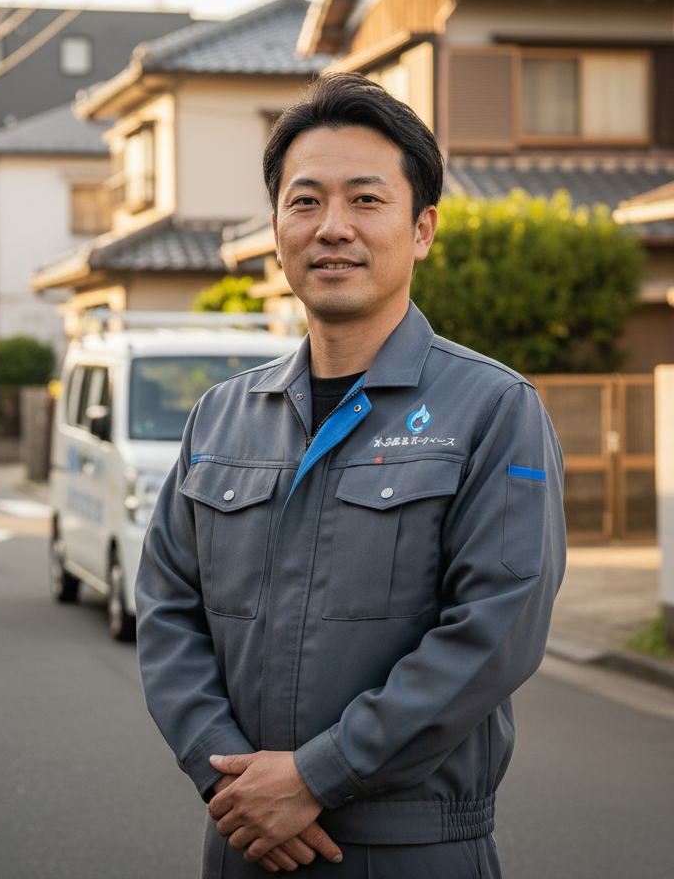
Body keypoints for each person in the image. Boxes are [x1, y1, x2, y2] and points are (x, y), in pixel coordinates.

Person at [135, 72, 566, 878]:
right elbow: (166, 611)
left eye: (366, 200)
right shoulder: (221, 415)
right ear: (275, 228)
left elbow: (493, 632)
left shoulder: (492, 409)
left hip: (414, 848)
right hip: (241, 839)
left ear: (423, 229)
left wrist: (314, 777)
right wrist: (229, 774)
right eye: (306, 202)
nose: (332, 227)